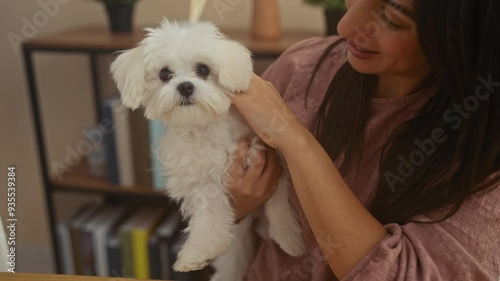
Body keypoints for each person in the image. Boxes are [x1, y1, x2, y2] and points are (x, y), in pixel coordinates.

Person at [227, 0, 500, 280]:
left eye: (393, 18)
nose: (345, 27)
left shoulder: (484, 156)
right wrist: (230, 207)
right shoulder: (303, 66)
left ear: (465, 34)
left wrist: (295, 140)